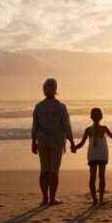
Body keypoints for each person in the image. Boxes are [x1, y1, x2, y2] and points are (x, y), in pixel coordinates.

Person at [31, 78, 75, 206]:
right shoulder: (60, 107)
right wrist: (72, 142)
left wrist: (33, 141)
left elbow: (35, 126)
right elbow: (66, 126)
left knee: (44, 169)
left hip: (43, 140)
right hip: (56, 141)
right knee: (54, 171)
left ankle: (45, 198)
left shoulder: (39, 106)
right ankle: (52, 199)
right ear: (55, 90)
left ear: (44, 90)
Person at [72, 108, 112, 205]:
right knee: (102, 177)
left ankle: (94, 199)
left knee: (92, 177)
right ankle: (101, 199)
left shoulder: (88, 130)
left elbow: (81, 144)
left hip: (92, 155)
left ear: (91, 117)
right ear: (101, 117)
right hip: (102, 154)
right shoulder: (104, 128)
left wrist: (74, 147)